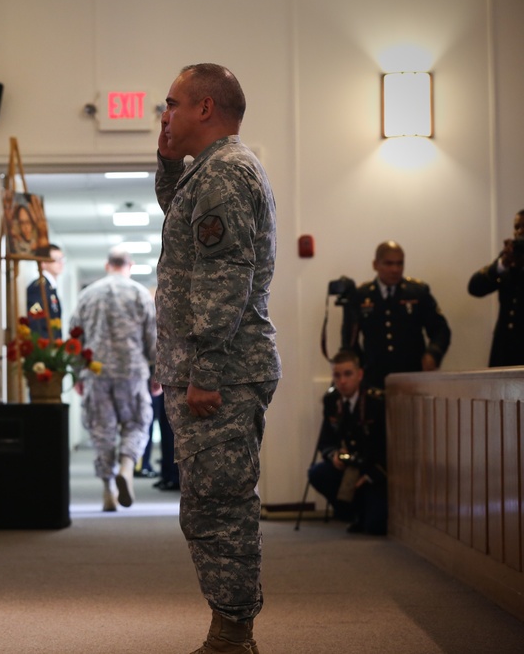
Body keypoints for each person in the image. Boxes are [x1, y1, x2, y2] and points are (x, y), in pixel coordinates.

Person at [155, 62, 280, 653]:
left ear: (205, 108)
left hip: (222, 374)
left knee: (221, 509)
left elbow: (224, 275)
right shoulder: (208, 173)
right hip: (219, 370)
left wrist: (204, 370)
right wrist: (166, 165)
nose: (166, 114)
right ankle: (229, 630)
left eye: (173, 103)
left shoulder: (225, 174)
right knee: (207, 505)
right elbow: (184, 234)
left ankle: (234, 635)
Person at [69, 248, 156, 512]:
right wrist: (158, 373)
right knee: (138, 422)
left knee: (101, 432)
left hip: (96, 372)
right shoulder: (140, 293)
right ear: (129, 265)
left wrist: (76, 372)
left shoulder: (87, 295)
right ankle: (127, 466)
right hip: (132, 371)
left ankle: (108, 490)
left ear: (108, 266)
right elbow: (152, 336)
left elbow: (74, 337)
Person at [341, 240, 451, 388]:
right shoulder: (360, 296)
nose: (395, 269)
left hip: (413, 376)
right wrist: (360, 369)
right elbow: (349, 340)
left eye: (400, 264)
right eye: (388, 263)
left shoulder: (417, 292)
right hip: (374, 378)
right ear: (375, 265)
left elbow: (441, 329)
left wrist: (433, 354)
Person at [307, 350, 388, 535]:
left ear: (359, 375)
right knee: (317, 473)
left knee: (375, 526)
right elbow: (325, 441)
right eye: (337, 375)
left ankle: (363, 512)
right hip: (347, 468)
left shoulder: (376, 402)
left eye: (348, 374)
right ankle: (351, 513)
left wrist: (369, 476)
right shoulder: (332, 400)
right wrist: (334, 454)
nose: (342, 381)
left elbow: (387, 447)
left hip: (372, 472)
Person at [468, 208, 524, 367]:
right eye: (516, 227)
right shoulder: (507, 260)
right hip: (504, 352)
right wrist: (502, 265)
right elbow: (474, 287)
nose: (520, 232)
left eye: (523, 227)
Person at [26, 244, 64, 340]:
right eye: (56, 259)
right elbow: (35, 322)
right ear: (43, 263)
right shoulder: (39, 288)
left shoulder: (50, 287)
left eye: (62, 259)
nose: (61, 263)